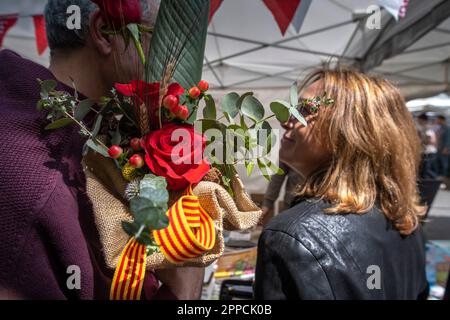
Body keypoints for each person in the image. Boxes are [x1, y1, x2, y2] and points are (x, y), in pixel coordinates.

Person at [0, 0, 203, 299]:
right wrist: (185, 282)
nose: (166, 60)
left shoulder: (16, 104)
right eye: (158, 38)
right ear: (104, 33)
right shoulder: (59, 177)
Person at [255, 68, 428, 300]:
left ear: (349, 130)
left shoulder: (292, 235)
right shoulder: (405, 221)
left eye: (305, 109)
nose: (286, 120)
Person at [261, 161, 303, 226]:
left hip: (317, 206)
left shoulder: (323, 151)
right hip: (291, 205)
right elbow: (278, 176)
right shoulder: (289, 151)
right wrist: (267, 203)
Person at [416, 113, 438, 179]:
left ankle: (437, 180)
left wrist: (420, 141)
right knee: (425, 169)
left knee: (427, 169)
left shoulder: (427, 129)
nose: (418, 121)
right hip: (426, 151)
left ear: (423, 120)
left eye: (419, 120)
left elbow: (429, 141)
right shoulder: (423, 128)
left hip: (429, 151)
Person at [434, 115, 450, 188]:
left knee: (445, 166)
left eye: (437, 119)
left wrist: (446, 148)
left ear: (441, 120)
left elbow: (448, 139)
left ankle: (445, 183)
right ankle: (440, 181)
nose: (436, 121)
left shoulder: (446, 128)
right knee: (439, 166)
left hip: (444, 151)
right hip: (439, 150)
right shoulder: (440, 128)